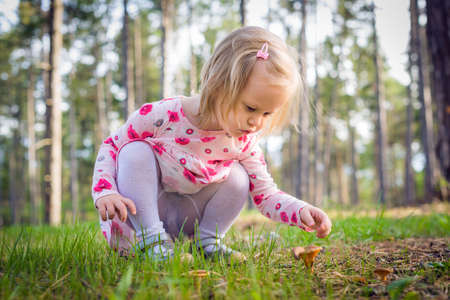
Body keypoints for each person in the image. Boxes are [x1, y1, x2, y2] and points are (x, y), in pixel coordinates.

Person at [92, 26, 332, 262]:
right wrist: (105, 191)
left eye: (267, 114)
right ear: (218, 85)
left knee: (239, 176)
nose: (256, 122)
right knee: (134, 152)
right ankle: (152, 242)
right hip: (141, 214)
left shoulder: (244, 142)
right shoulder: (161, 116)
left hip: (186, 216)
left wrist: (299, 210)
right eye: (250, 108)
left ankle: (206, 242)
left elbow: (266, 195)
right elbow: (111, 146)